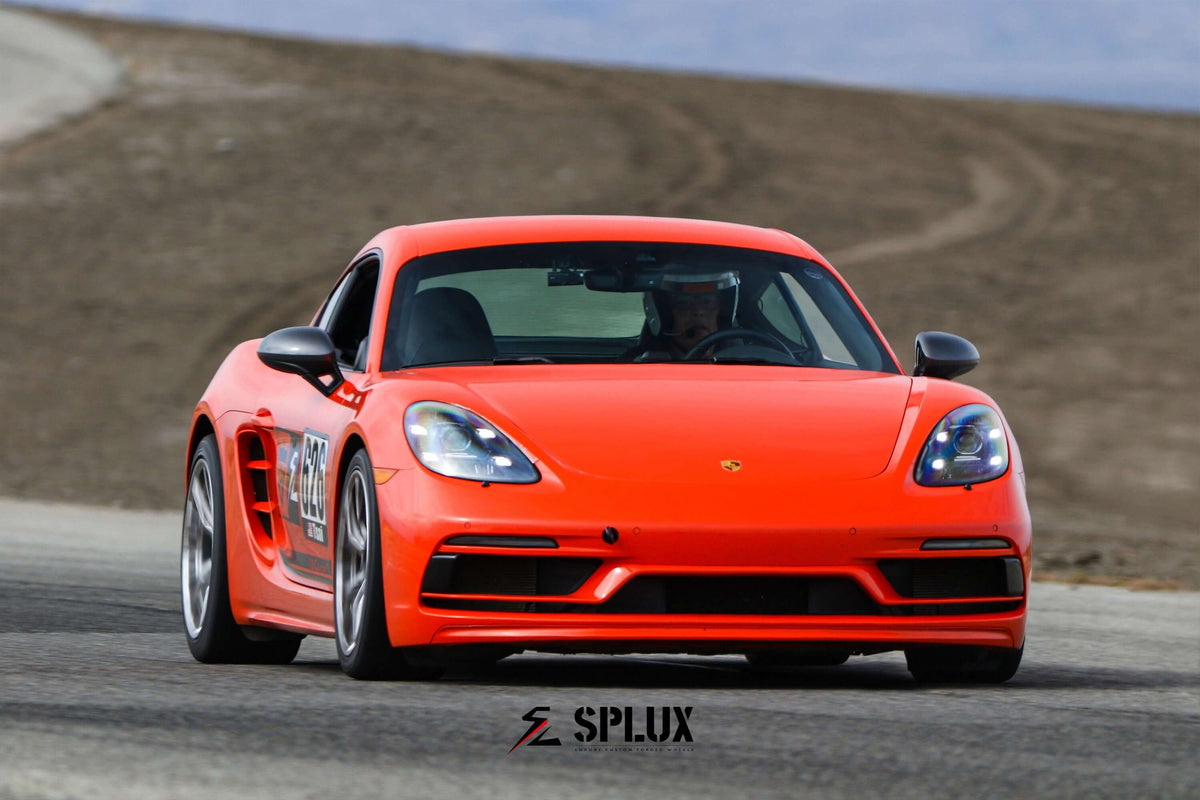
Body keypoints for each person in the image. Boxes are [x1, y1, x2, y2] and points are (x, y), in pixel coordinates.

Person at [635, 270, 740, 360]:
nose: (699, 312)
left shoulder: (743, 367)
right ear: (665, 317)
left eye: (708, 302)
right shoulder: (635, 370)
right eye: (684, 304)